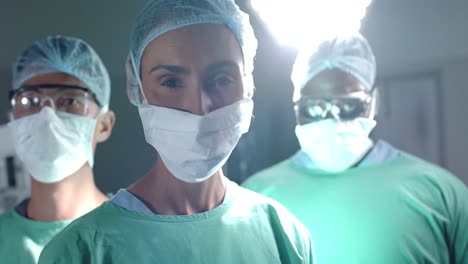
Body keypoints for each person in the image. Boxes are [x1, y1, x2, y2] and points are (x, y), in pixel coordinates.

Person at [38, 1, 314, 263]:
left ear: (248, 85)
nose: (199, 106)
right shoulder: (80, 251)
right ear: (137, 89)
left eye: (221, 79)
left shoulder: (283, 235)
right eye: (171, 82)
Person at [242, 32, 468, 263]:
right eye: (315, 107)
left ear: (374, 102)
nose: (332, 119)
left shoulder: (439, 192)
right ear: (296, 107)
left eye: (348, 105)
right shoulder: (257, 196)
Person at [0, 35, 115, 264]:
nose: (47, 116)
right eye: (30, 101)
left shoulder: (133, 235)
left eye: (69, 101)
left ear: (103, 125)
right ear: (13, 121)